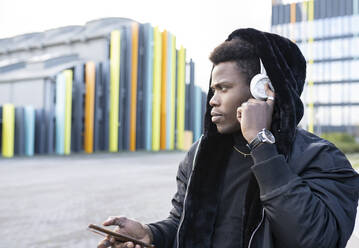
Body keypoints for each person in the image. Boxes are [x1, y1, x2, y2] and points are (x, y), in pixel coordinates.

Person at [97, 28, 359, 248]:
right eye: (213, 89)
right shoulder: (201, 155)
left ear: (262, 90)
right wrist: (150, 233)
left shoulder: (323, 158)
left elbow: (317, 239)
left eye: (223, 88)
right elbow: (184, 224)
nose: (212, 100)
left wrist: (262, 146)